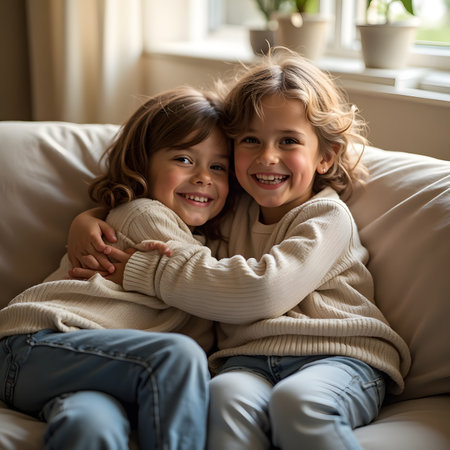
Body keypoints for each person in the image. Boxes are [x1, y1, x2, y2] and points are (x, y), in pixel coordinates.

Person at [69, 50, 411, 450]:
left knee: (298, 403)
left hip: (339, 357)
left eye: (288, 141)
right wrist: (91, 216)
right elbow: (166, 215)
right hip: (246, 362)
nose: (267, 157)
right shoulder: (230, 210)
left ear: (325, 156)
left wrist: (144, 271)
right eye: (250, 140)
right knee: (220, 398)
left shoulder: (326, 217)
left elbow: (265, 291)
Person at [0, 86, 234, 450]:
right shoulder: (145, 213)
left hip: (97, 371)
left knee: (91, 426)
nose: (204, 176)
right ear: (143, 162)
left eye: (218, 166)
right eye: (185, 159)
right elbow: (212, 283)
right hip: (39, 343)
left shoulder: (211, 243)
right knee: (177, 357)